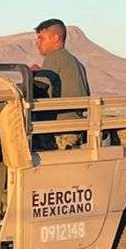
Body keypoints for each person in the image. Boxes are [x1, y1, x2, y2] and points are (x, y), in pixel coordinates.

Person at [32, 18, 89, 150]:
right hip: (75, 127)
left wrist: (29, 78)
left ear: (55, 38)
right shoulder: (75, 62)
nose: (37, 43)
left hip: (59, 130)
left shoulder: (55, 57)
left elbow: (37, 89)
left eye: (41, 38)